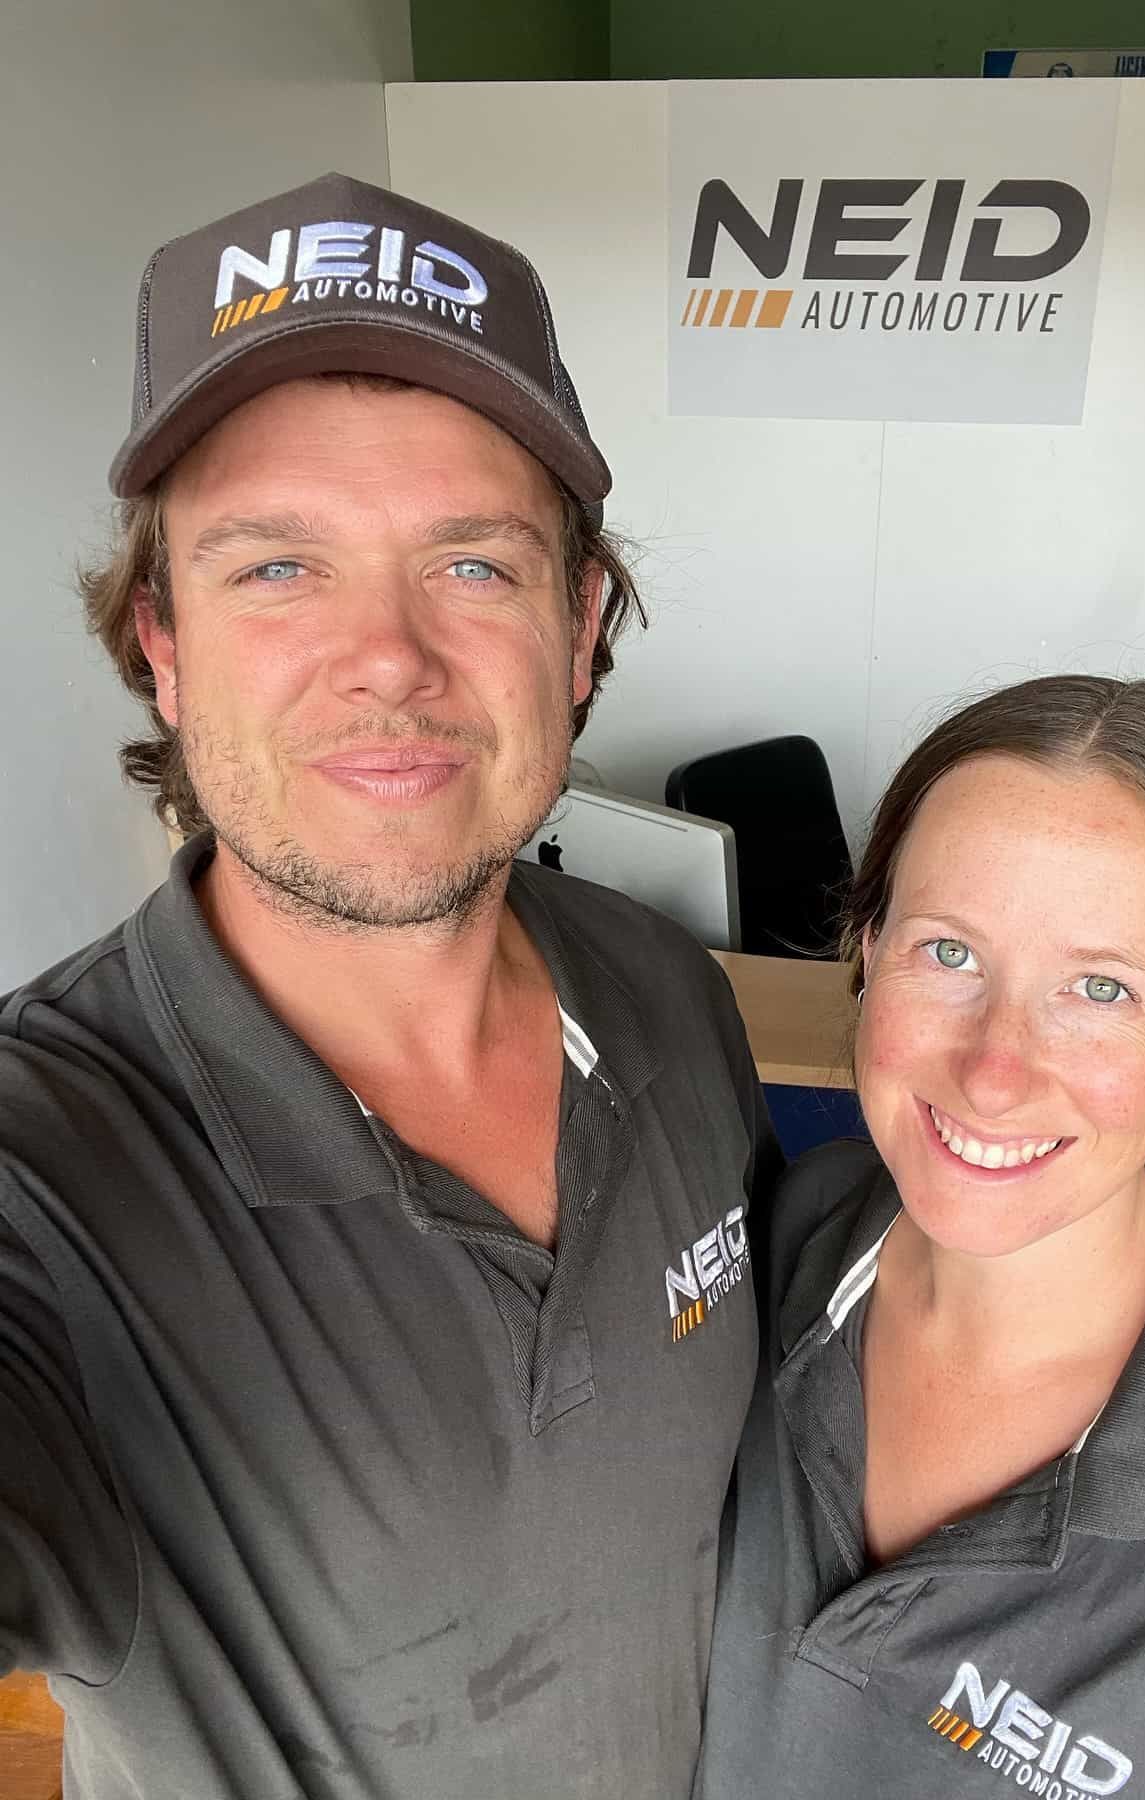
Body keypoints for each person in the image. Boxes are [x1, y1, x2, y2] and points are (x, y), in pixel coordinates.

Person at [0, 173, 777, 1799]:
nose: (388, 659)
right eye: (278, 567)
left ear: (581, 629)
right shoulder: (46, 1171)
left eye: (475, 566)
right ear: (161, 643)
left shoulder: (666, 992)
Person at [695, 675, 1145, 1800]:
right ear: (870, 949)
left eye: (1101, 987)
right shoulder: (778, 1241)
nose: (995, 1074)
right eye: (949, 953)